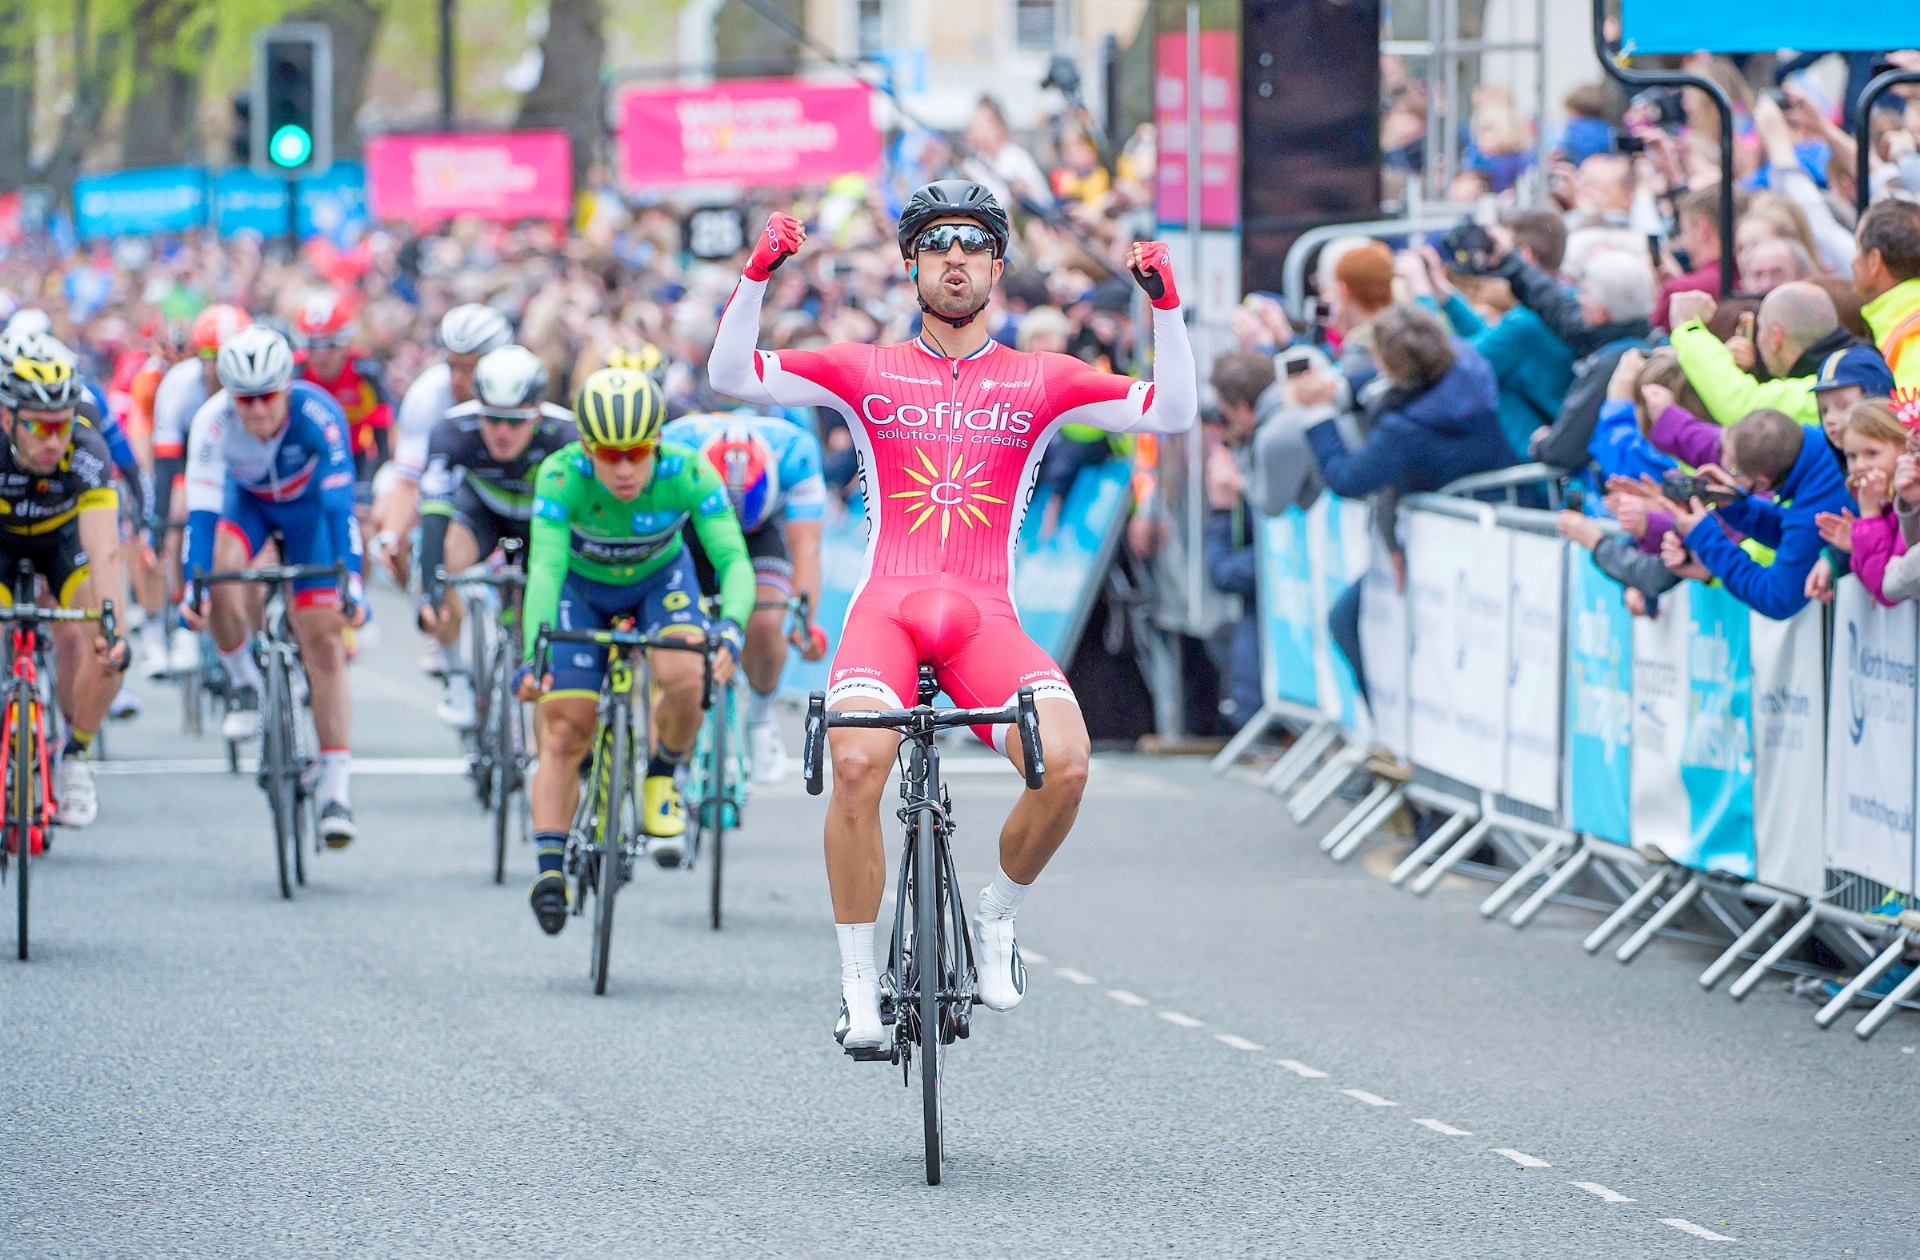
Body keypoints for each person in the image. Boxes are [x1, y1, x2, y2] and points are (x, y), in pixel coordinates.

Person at [706, 181, 1196, 1051]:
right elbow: (732, 375)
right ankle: (859, 985)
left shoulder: (1041, 378)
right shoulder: (864, 367)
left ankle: (997, 916)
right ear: (912, 267)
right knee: (857, 766)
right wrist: (756, 277)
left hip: (984, 619)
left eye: (973, 246)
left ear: (999, 268)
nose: (956, 259)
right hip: (886, 612)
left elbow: (1176, 410)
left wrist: (1167, 309)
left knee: (1069, 766)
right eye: (938, 246)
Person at [514, 369, 751, 933]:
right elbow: (544, 568)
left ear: (658, 442)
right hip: (581, 588)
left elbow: (733, 561)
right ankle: (550, 868)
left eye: (638, 452)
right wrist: (534, 655)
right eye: (609, 454)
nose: (624, 469)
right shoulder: (560, 474)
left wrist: (733, 630)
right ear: (585, 448)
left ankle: (662, 775)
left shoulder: (689, 470)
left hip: (657, 583)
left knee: (688, 671)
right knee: (566, 727)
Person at [180, 327, 366, 845]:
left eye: (267, 397)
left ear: (286, 386)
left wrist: (351, 581)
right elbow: (201, 514)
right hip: (252, 508)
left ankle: (335, 788)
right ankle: (246, 680)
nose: (258, 411)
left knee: (323, 641)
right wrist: (191, 587)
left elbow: (339, 509)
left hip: (311, 516)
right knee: (219, 569)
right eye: (246, 400)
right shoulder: (213, 423)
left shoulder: (320, 415)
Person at [1301, 303, 1510, 697]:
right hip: (1486, 522)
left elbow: (1349, 479)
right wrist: (1342, 389)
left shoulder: (1405, 430)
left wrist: (1317, 415)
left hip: (1457, 546)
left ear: (1391, 365)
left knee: (1347, 621)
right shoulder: (1466, 365)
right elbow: (1392, 386)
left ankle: (1387, 736)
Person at [661, 410, 830, 783]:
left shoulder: (795, 454)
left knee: (768, 621)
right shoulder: (675, 445)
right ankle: (672, 753)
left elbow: (807, 548)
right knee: (678, 634)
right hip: (693, 522)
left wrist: (803, 624)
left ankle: (760, 715)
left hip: (762, 531)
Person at [415, 345, 577, 730]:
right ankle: (457, 675)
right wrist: (431, 591)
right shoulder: (452, 430)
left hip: (543, 523)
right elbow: (433, 512)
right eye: (492, 418)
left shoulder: (567, 434)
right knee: (442, 560)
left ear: (537, 412)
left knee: (543, 603)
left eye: (515, 421)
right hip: (484, 514)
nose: (502, 432)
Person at [0, 351, 130, 830]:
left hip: (63, 544)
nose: (54, 439)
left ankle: (75, 756)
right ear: (7, 418)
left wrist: (113, 622)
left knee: (109, 639)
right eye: (39, 427)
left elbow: (105, 550)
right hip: (2, 544)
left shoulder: (88, 447)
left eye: (62, 425)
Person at [1659, 407, 1852, 620]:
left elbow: (1777, 598)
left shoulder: (1815, 510)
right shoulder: (1819, 451)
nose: (1728, 472)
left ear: (1763, 482)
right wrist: (1733, 504)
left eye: (1734, 469)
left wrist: (1704, 536)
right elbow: (1794, 536)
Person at [372, 304, 514, 592]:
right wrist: (391, 536)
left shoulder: (519, 391)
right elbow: (407, 481)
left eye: (470, 369)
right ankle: (440, 621)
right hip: (448, 487)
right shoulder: (428, 394)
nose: (458, 380)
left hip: (504, 490)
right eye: (452, 366)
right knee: (391, 522)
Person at [1486, 237, 1655, 470]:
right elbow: (1556, 307)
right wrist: (1509, 260)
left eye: (1583, 293)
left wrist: (1544, 442)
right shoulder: (1654, 342)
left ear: (1601, 313)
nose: (1577, 299)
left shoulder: (1612, 364)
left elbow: (1564, 449)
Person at [149, 303, 250, 676]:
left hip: (243, 469)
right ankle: (186, 617)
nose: (219, 369)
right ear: (197, 357)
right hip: (191, 463)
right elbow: (164, 463)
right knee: (180, 512)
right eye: (211, 357)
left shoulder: (254, 388)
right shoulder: (179, 386)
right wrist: (158, 527)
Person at [1667, 283, 1862, 425]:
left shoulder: (1832, 383)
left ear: (1775, 338)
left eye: (1760, 329)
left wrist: (1688, 328)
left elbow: (1742, 406)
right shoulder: (1853, 363)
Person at [293, 291, 392, 484]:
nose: (321, 355)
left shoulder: (366, 374)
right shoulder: (294, 372)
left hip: (355, 458)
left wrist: (369, 483)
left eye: (330, 344)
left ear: (346, 343)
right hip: (306, 459)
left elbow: (382, 438)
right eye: (313, 345)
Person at [1852, 199, 1920, 388]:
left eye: (1857, 249)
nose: (1853, 262)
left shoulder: (1912, 335)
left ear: (1874, 260)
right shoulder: (1902, 321)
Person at [1654, 186, 1733, 331]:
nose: (1682, 243)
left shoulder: (1680, 291)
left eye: (1684, 231)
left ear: (1703, 229)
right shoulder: (1753, 279)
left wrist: (1669, 287)